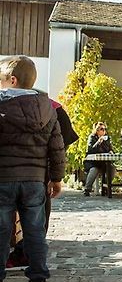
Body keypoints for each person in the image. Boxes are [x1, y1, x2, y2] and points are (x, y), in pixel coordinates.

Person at [0, 55, 65, 282]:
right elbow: (56, 147)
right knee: (35, 233)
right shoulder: (47, 107)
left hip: (3, 180)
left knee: (1, 233)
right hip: (35, 182)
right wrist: (56, 178)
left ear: (12, 80)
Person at [7, 99, 78, 269]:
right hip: (37, 159)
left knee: (36, 204)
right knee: (37, 206)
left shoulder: (15, 101)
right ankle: (32, 261)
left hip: (28, 161)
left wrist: (53, 175)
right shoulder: (45, 103)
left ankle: (25, 253)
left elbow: (61, 140)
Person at [83, 122, 114, 196]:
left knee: (112, 169)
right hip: (92, 162)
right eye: (101, 129)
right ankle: (87, 189)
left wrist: (110, 151)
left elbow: (109, 148)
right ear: (97, 130)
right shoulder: (92, 137)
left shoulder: (107, 138)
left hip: (103, 162)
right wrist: (98, 142)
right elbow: (90, 150)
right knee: (94, 169)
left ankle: (106, 186)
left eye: (104, 129)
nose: (103, 131)